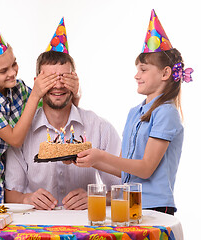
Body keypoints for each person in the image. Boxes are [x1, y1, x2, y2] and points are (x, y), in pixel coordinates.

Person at [75, 10, 193, 215]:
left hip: (155, 207)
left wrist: (101, 155)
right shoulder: (134, 112)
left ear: (165, 73)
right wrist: (91, 160)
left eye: (143, 69)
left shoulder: (166, 113)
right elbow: (125, 170)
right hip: (129, 203)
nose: (136, 75)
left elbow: (145, 168)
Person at [0, 15, 79, 203]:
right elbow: (15, 139)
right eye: (3, 71)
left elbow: (51, 110)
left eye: (14, 64)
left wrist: (73, 93)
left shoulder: (17, 89)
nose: (12, 72)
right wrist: (36, 94)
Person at [5, 18, 122, 210]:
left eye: (64, 78)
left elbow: (123, 187)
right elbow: (11, 192)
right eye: (50, 79)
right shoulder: (22, 131)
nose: (58, 85)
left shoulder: (100, 128)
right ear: (36, 82)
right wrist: (27, 199)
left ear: (75, 80)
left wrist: (97, 197)